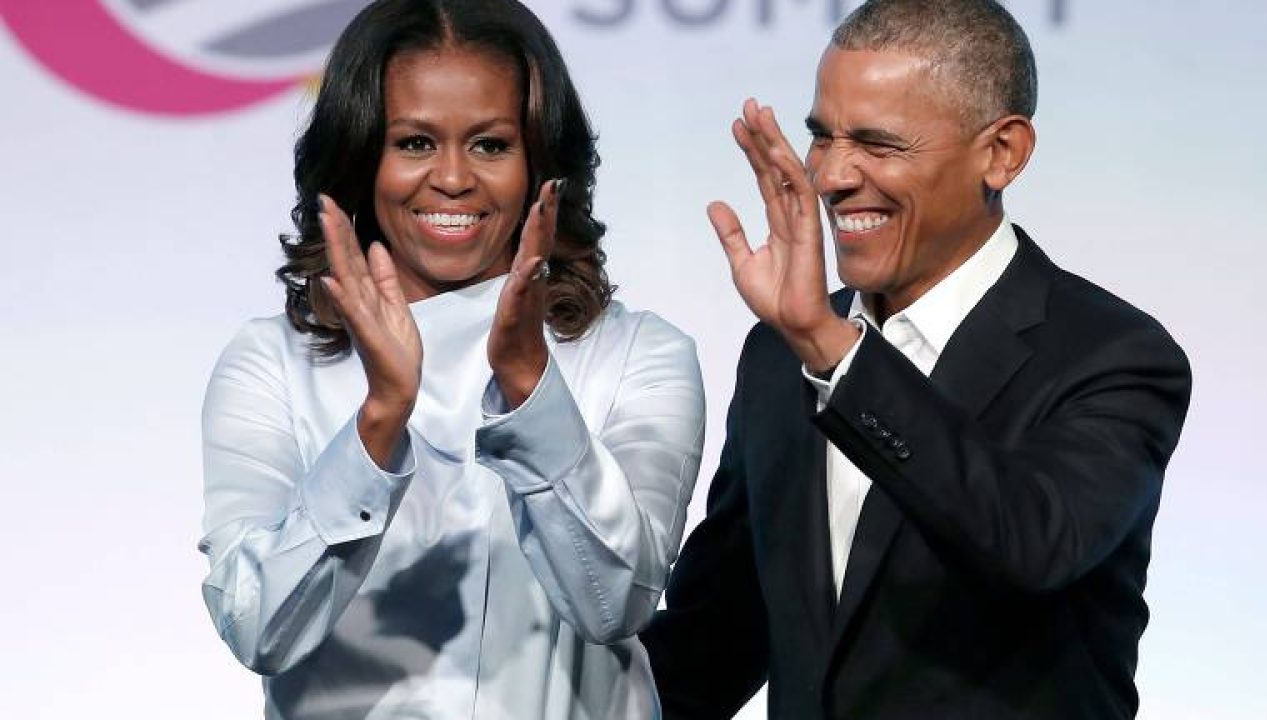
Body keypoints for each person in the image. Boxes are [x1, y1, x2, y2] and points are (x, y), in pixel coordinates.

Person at [639, 1, 1191, 718]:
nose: (832, 176)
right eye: (822, 137)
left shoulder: (1113, 355)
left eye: (879, 143)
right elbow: (714, 640)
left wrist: (835, 354)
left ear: (1002, 153)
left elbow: (1032, 546)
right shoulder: (781, 356)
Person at [198, 1, 704, 718]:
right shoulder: (270, 363)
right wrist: (379, 423)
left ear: (540, 164)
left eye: (491, 145)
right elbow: (259, 629)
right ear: (360, 153)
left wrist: (530, 388)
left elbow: (610, 602)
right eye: (414, 143)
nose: (454, 179)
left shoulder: (640, 355)